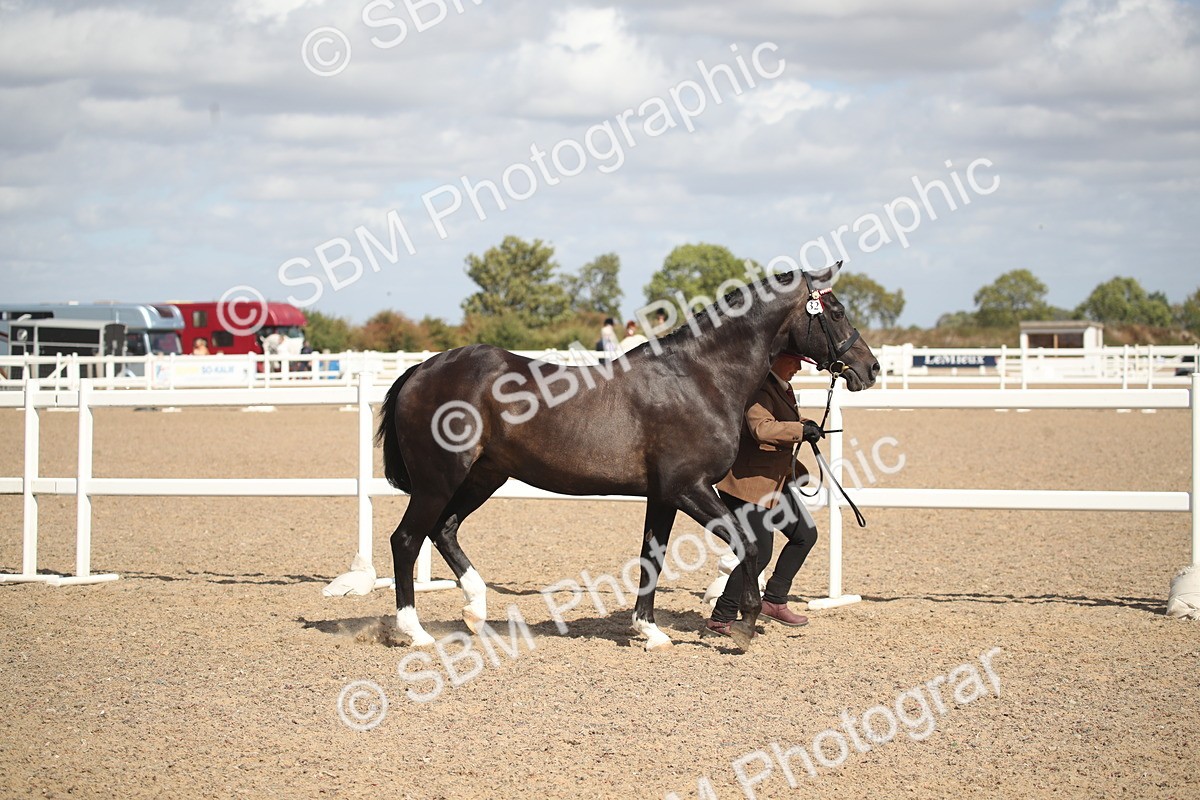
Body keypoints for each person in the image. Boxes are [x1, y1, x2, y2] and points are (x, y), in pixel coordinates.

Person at [706, 351, 824, 637]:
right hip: (748, 485)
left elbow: (780, 420)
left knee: (805, 535)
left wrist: (806, 425)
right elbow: (761, 427)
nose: (798, 367)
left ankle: (774, 601)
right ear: (777, 359)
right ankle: (721, 617)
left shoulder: (781, 387)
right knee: (758, 552)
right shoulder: (758, 388)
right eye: (795, 361)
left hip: (773, 482)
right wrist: (799, 429)